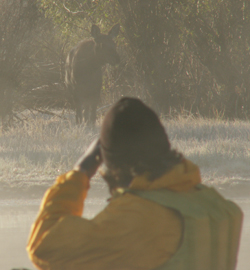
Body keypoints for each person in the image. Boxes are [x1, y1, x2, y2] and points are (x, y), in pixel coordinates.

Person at [27, 97, 243, 270]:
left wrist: (80, 171)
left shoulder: (139, 216)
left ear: (112, 164)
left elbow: (44, 248)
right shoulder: (217, 205)